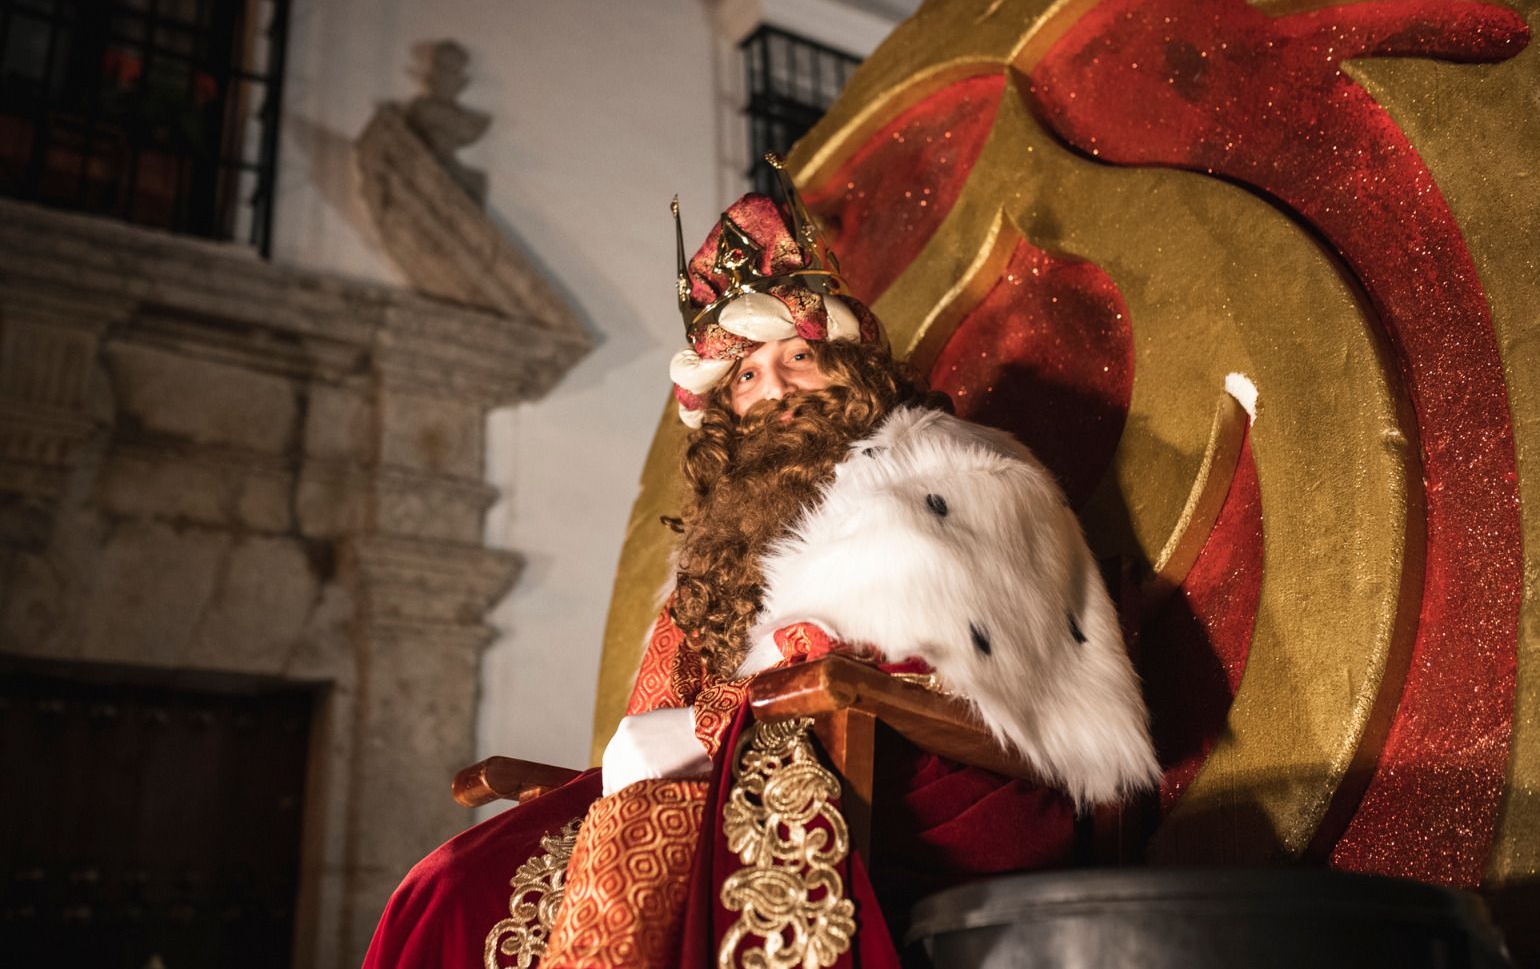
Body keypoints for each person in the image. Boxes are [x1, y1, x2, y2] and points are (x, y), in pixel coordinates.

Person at [362, 164, 1157, 969]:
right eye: (745, 374)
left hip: (919, 793)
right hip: (742, 774)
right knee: (452, 888)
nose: (772, 390)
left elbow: (973, 695)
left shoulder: (960, 482)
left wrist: (721, 726)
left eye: (794, 359)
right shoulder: (718, 550)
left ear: (846, 365)